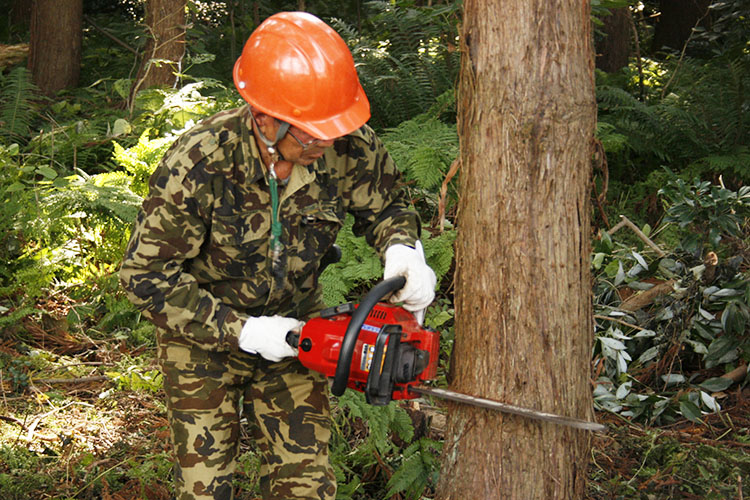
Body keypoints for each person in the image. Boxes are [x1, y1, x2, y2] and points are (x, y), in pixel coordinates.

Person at [119, 11, 436, 500]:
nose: (324, 142)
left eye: (330, 130)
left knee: (305, 486)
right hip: (202, 337)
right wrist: (242, 331)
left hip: (298, 332)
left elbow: (388, 203)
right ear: (264, 116)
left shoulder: (344, 144)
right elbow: (145, 276)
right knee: (206, 489)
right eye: (310, 133)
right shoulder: (201, 162)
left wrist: (402, 251)